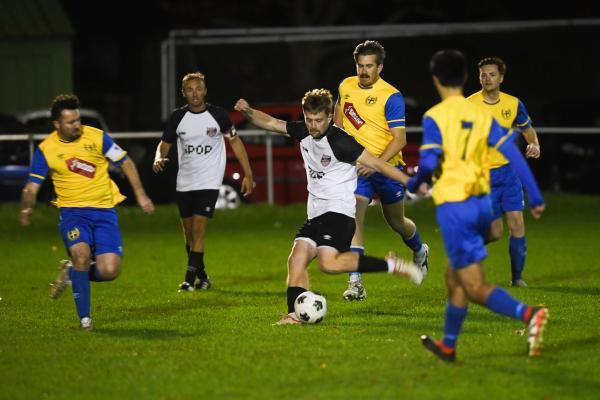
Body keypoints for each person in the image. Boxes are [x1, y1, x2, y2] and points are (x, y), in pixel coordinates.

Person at [234, 89, 424, 325]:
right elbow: (272, 123)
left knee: (329, 263)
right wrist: (249, 111)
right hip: (315, 214)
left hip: (339, 213)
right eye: (309, 119)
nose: (313, 125)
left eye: (319, 120)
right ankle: (295, 314)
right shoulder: (304, 130)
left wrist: (411, 182)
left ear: (330, 117)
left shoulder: (341, 141)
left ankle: (391, 265)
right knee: (296, 259)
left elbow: (377, 164)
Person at [407, 50, 548, 361]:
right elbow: (513, 153)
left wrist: (415, 183)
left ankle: (529, 315)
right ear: (466, 78)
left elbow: (429, 160)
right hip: (481, 202)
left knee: (473, 284)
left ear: (435, 79)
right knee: (453, 276)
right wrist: (535, 196)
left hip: (456, 208)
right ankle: (449, 344)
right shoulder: (481, 115)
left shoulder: (436, 116)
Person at [20, 94, 155, 330]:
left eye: (78, 120)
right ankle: (85, 320)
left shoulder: (97, 137)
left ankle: (72, 272)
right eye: (71, 122)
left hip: (104, 213)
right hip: (73, 214)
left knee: (110, 270)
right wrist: (27, 206)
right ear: (57, 124)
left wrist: (141, 194)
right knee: (81, 255)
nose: (77, 125)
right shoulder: (46, 149)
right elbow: (31, 186)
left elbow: (125, 162)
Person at [333, 40, 428, 301]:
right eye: (360, 66)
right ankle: (355, 282)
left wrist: (375, 162)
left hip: (388, 168)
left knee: (397, 222)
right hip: (356, 169)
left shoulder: (391, 96)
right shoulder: (346, 85)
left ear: (380, 67)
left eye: (369, 67)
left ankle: (420, 250)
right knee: (354, 216)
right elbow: (338, 119)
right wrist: (343, 149)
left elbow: (400, 139)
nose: (363, 71)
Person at [153, 72, 253, 292]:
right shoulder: (177, 118)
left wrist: (248, 174)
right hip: (185, 182)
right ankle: (203, 276)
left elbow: (236, 143)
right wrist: (158, 157)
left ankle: (188, 280)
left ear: (205, 91)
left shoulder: (219, 116)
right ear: (184, 93)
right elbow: (164, 144)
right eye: (190, 89)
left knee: (198, 230)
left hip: (209, 181)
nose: (195, 93)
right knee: (188, 235)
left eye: (199, 88)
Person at [467, 57, 541, 287]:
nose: (486, 79)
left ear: (501, 78)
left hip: (508, 173)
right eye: (483, 75)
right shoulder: (469, 104)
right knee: (495, 232)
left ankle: (517, 278)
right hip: (482, 176)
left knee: (517, 222)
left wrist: (535, 144)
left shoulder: (513, 104)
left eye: (491, 74)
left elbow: (527, 129)